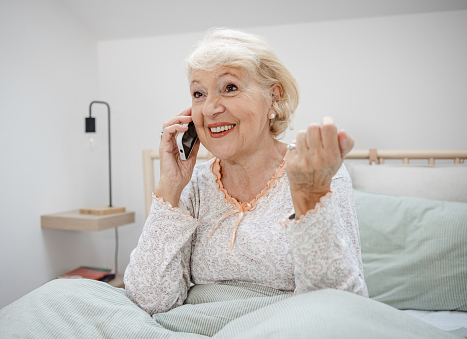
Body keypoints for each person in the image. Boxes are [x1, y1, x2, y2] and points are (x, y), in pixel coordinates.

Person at [124, 28, 369, 316]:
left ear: (273, 98)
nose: (211, 108)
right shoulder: (196, 185)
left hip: (282, 327)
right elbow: (148, 300)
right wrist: (169, 186)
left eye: (230, 87)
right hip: (197, 327)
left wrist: (309, 195)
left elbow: (340, 305)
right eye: (198, 93)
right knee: (64, 293)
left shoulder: (314, 173)